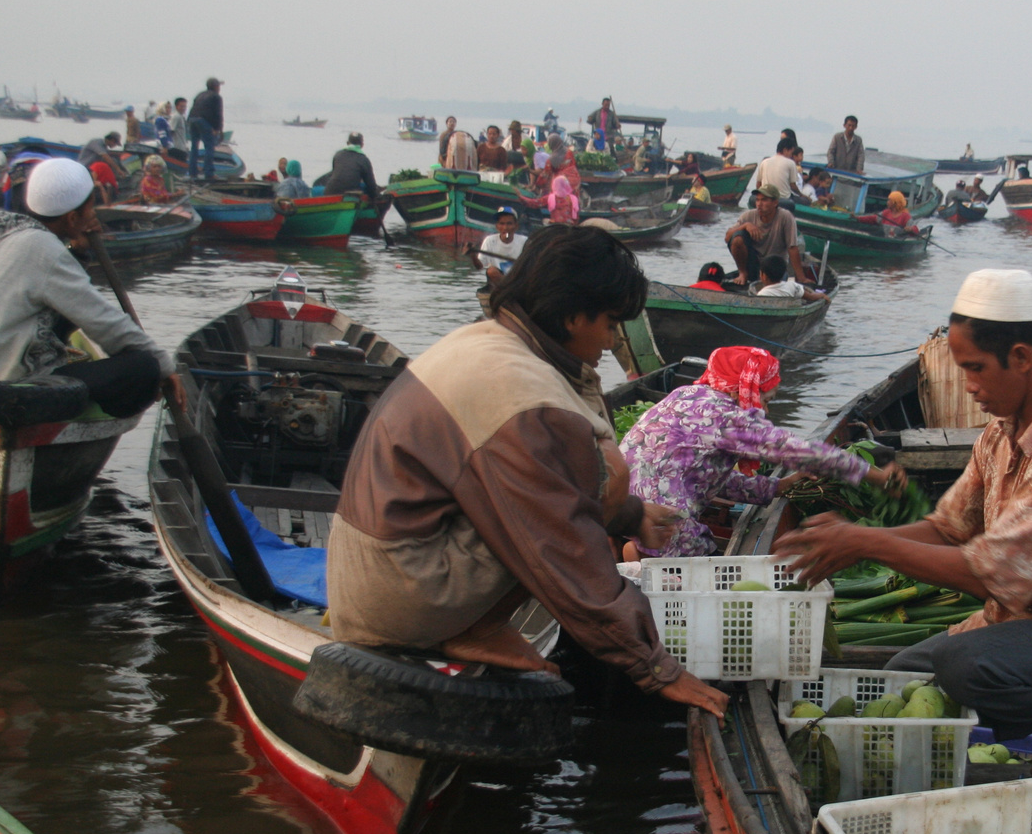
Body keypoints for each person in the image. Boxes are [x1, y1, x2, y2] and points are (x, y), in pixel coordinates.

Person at [325, 224, 728, 719]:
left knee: (585, 483)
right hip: (401, 597)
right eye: (608, 324)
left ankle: (479, 624)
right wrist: (656, 667)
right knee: (596, 478)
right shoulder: (520, 393)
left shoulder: (489, 341)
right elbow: (561, 542)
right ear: (573, 315)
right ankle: (469, 627)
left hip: (382, 572)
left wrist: (631, 516)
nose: (610, 341)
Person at [774, 269, 1032, 770]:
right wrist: (856, 539)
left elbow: (990, 572)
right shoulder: (999, 434)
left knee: (963, 667)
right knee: (902, 673)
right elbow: (948, 528)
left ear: (1020, 358)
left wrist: (865, 543)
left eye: (974, 369)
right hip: (1021, 623)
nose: (968, 387)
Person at [0, 158, 179, 419]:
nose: (94, 216)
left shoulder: (2, 234)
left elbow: (67, 298)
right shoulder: (43, 248)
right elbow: (105, 322)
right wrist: (164, 367)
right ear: (72, 217)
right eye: (91, 209)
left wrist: (78, 250)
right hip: (11, 386)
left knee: (72, 315)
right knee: (143, 367)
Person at [621, 345, 903, 559]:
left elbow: (705, 476)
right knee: (711, 566)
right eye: (764, 399)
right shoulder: (724, 415)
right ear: (743, 389)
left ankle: (638, 554)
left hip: (621, 505)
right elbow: (797, 451)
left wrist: (778, 486)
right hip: (658, 517)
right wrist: (872, 475)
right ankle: (644, 558)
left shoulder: (687, 395)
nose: (765, 410)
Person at [725, 184, 804, 285]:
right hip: (753, 265)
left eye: (764, 200)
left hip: (774, 265)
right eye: (757, 200)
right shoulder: (748, 216)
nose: (759, 204)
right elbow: (727, 237)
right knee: (737, 238)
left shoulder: (786, 217)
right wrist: (745, 226)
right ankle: (743, 274)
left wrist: (801, 278)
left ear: (775, 202)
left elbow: (792, 248)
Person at [322, 133, 381, 200]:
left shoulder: (338, 155)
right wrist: (376, 196)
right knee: (365, 187)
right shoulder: (364, 160)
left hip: (330, 192)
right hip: (350, 195)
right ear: (362, 145)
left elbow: (334, 173)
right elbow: (371, 185)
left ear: (347, 143)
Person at [189, 77, 224, 182]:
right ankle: (209, 173)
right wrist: (217, 129)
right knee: (209, 147)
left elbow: (193, 108)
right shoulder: (216, 97)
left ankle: (192, 172)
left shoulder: (200, 94)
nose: (219, 88)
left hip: (192, 119)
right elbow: (218, 114)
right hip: (203, 121)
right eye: (218, 86)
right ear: (215, 87)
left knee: (194, 147)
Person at [755, 255, 828, 303]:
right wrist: (821, 295)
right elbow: (811, 297)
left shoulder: (762, 294)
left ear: (763, 276)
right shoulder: (792, 286)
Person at [752, 138, 803, 206]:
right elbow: (793, 186)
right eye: (791, 153)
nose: (791, 156)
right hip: (784, 198)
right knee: (806, 201)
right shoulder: (790, 163)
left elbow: (758, 184)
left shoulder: (764, 162)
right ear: (785, 150)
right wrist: (801, 195)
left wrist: (760, 197)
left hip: (766, 195)